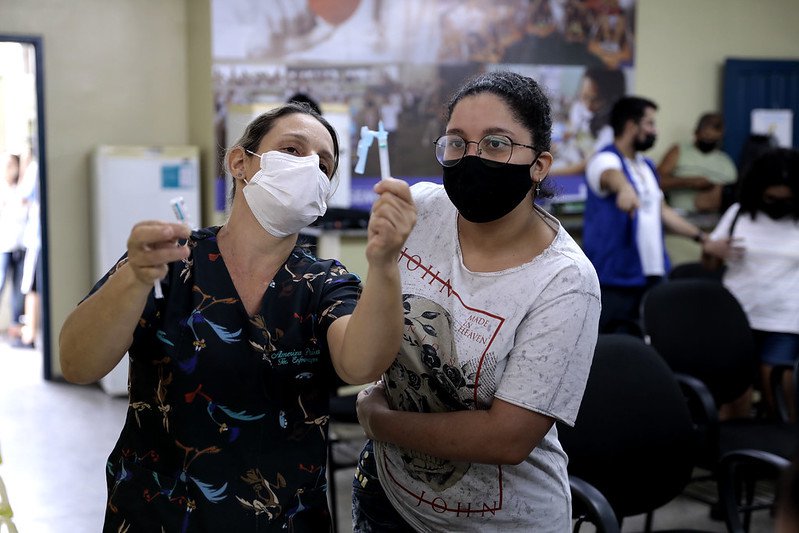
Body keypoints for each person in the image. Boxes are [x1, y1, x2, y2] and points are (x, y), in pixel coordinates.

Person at [58, 102, 416, 531]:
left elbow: (361, 363)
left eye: (324, 165)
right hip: (159, 514)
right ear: (239, 163)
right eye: (292, 150)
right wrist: (133, 277)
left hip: (284, 518)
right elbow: (78, 364)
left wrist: (384, 263)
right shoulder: (171, 264)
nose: (309, 168)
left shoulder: (323, 283)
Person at [352, 71, 601, 532]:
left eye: (495, 143)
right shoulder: (420, 211)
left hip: (500, 523)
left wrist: (379, 422)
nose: (471, 157)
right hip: (390, 497)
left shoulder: (565, 281)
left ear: (539, 165)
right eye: (457, 142)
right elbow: (376, 338)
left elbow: (506, 439)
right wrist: (380, 261)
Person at [583, 96, 708, 334]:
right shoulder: (604, 158)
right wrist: (624, 189)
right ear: (631, 126)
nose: (655, 130)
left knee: (653, 339)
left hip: (653, 274)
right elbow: (610, 175)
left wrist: (702, 238)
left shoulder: (646, 166)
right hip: (616, 278)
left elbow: (662, 211)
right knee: (613, 343)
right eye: (650, 123)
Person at [703, 148, 799, 420]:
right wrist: (711, 249)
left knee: (779, 401)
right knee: (734, 402)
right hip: (737, 319)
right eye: (771, 199)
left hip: (784, 321)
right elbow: (709, 264)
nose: (778, 205)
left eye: (786, 200)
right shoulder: (738, 214)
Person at [657, 112, 738, 215]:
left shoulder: (726, 162)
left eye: (713, 140)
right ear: (696, 133)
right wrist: (688, 182)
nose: (709, 141)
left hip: (717, 216)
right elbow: (657, 180)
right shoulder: (679, 151)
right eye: (706, 137)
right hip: (683, 214)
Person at [553, 66, 626, 177]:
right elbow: (569, 133)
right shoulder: (579, 107)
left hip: (575, 172)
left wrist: (549, 173)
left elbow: (585, 165)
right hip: (564, 158)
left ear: (611, 99)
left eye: (596, 100)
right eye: (584, 96)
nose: (588, 106)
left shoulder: (609, 130)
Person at [0, 152, 28, 344]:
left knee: (19, 291)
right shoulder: (2, 189)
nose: (10, 169)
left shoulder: (22, 189)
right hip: (4, 246)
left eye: (12, 164)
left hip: (21, 245)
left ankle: (15, 329)